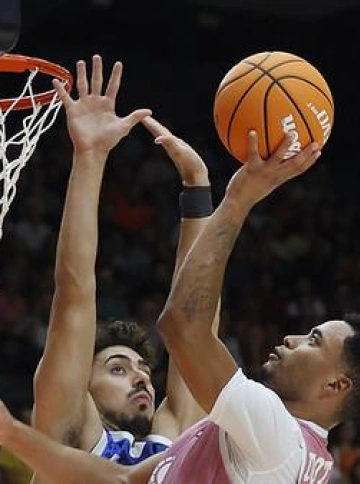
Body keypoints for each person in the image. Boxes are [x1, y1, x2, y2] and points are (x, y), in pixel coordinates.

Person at [0, 132, 360, 483]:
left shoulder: (274, 435)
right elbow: (119, 481)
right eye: (118, 368)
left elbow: (188, 326)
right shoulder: (224, 440)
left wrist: (237, 197)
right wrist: (13, 434)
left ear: (336, 383)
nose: (293, 338)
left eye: (314, 340)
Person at [29, 54, 221, 473]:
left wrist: (197, 190)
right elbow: (75, 290)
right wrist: (90, 157)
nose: (141, 379)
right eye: (118, 368)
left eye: (143, 371)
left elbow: (197, 327)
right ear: (82, 385)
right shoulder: (69, 432)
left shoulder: (165, 444)